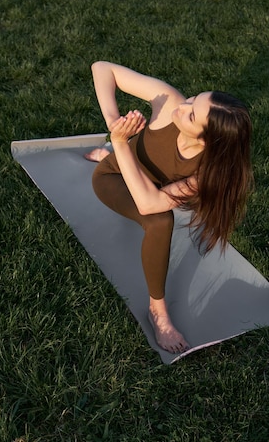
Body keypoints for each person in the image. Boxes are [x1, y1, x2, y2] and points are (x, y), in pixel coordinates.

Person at [86, 61, 253, 354]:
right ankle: (159, 312)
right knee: (161, 221)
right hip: (113, 177)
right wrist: (115, 128)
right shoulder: (169, 103)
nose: (181, 106)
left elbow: (150, 202)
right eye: (192, 99)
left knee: (158, 212)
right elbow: (102, 68)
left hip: (147, 186)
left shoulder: (207, 172)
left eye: (190, 114)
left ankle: (156, 311)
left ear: (205, 140)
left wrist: (121, 142)